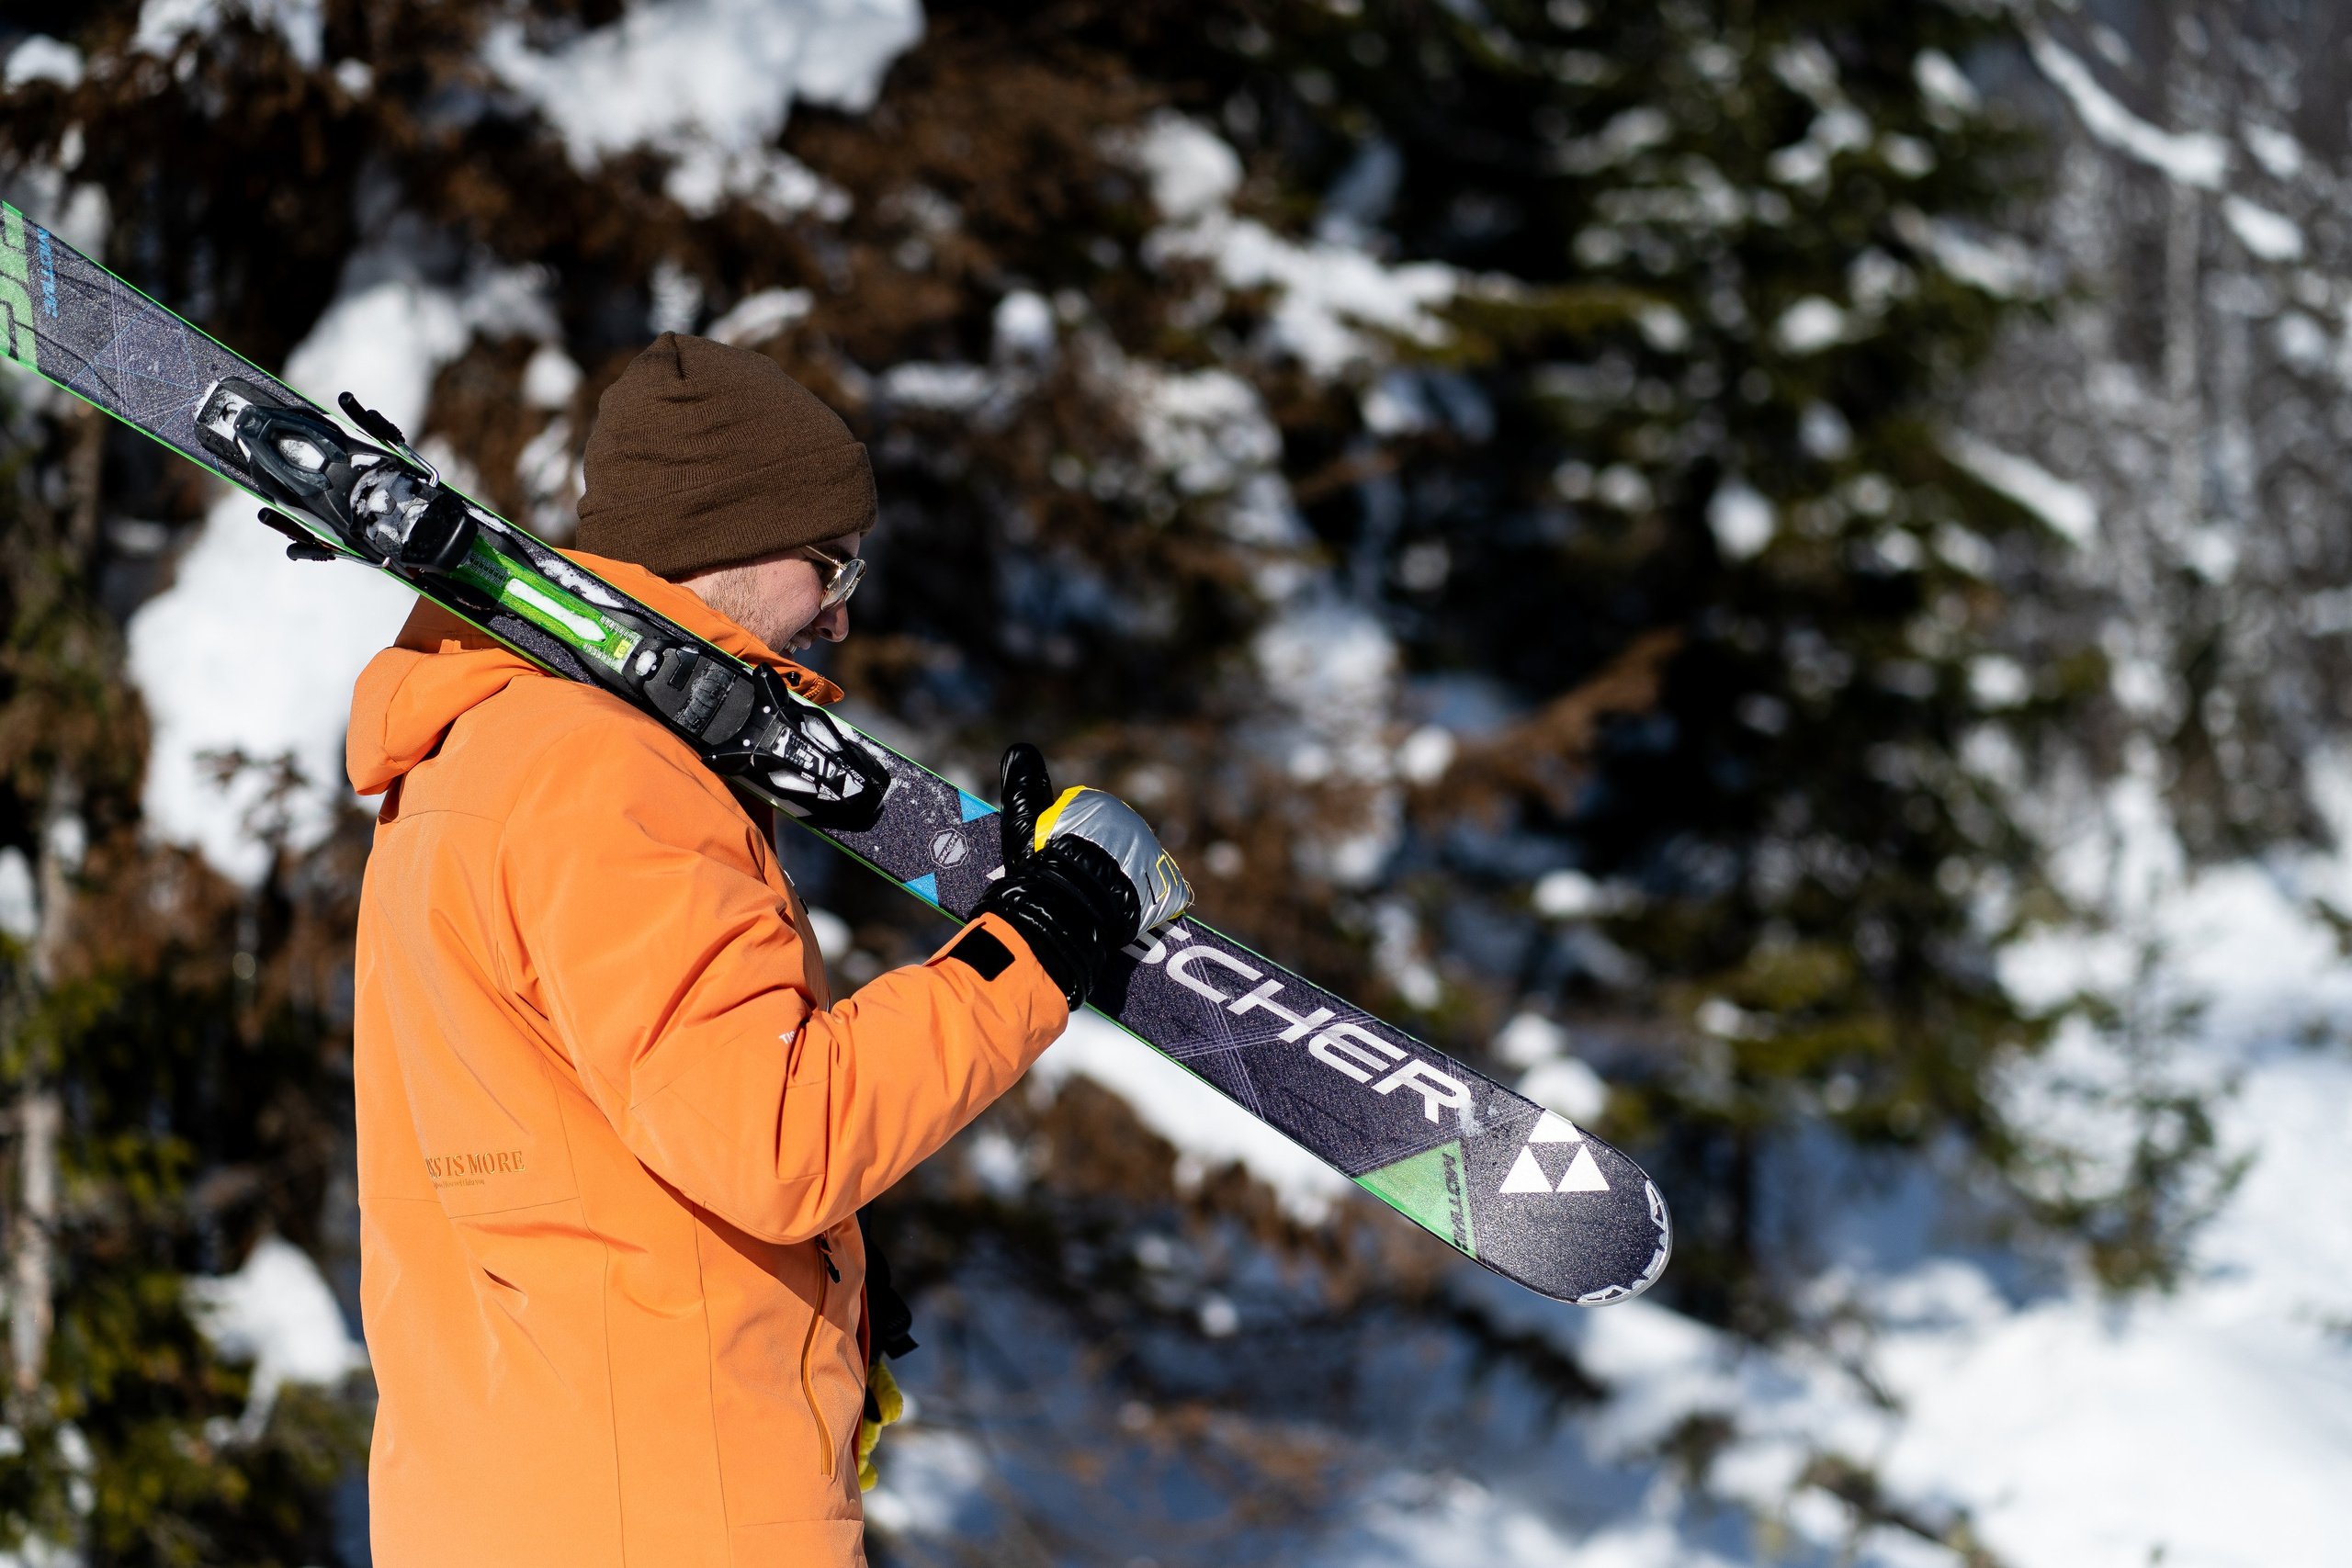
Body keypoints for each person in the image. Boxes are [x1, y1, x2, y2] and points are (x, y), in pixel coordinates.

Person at [344, 333, 1186, 1568]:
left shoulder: (486, 747)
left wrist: (815, 1294)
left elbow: (582, 1145)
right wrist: (1043, 942)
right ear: (722, 539)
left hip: (525, 1492)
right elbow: (775, 1138)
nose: (842, 614)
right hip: (660, 1521)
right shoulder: (609, 774)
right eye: (829, 563)